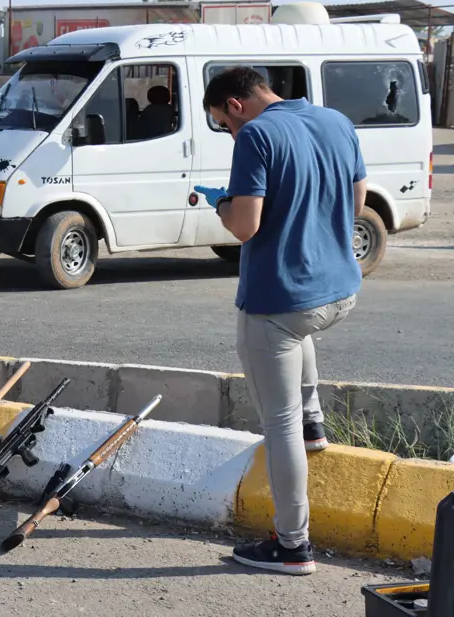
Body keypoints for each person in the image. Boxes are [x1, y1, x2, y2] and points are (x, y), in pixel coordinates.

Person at [195, 67, 366, 575]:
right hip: (339, 292)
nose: (229, 132)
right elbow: (355, 202)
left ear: (236, 104)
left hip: (278, 301)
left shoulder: (256, 136)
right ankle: (315, 422)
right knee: (299, 336)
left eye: (222, 123)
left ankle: (293, 545)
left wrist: (221, 203)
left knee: (279, 423)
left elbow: (245, 226)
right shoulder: (336, 120)